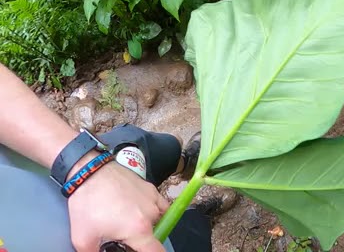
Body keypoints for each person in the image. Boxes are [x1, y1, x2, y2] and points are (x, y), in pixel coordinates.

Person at [0, 62, 211, 252]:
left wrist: (82, 167)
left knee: (145, 144)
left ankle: (185, 163)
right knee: (191, 233)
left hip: (58, 165)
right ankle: (196, 214)